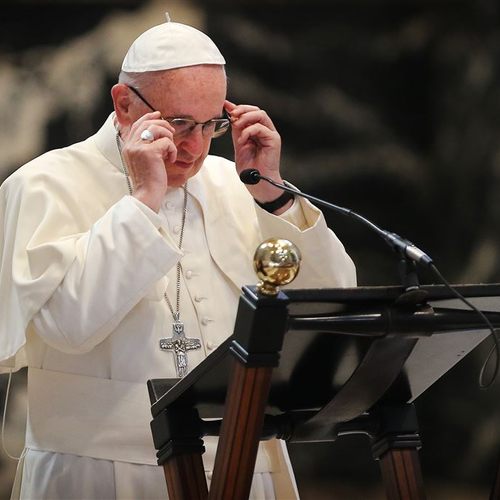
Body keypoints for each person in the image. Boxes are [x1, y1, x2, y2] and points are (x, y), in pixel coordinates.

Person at [0, 17, 356, 500]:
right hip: (98, 470)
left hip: (239, 461)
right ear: (125, 105)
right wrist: (144, 199)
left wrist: (276, 199)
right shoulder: (44, 184)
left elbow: (335, 300)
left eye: (212, 124)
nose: (196, 148)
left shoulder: (237, 182)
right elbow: (69, 324)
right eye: (179, 123)